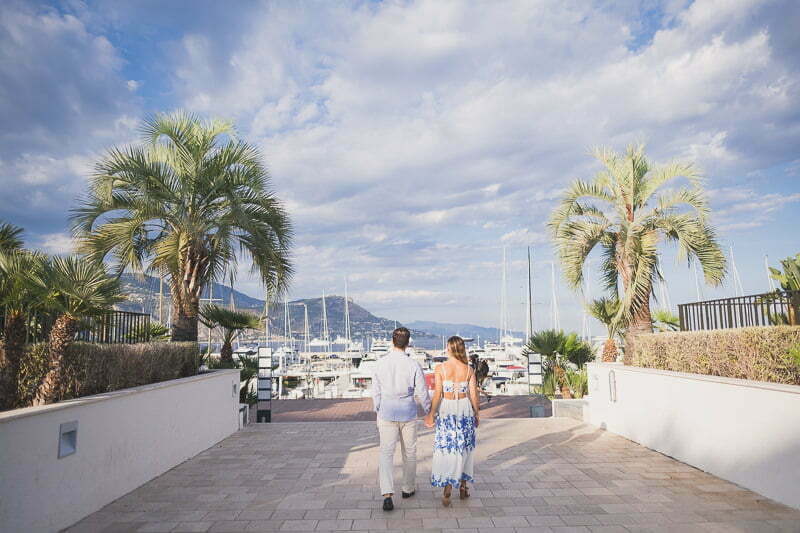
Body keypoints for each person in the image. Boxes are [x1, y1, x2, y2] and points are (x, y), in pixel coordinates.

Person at [371, 327, 431, 512]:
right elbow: (422, 393)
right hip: (408, 413)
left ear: (392, 341)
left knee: (386, 453)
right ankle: (407, 488)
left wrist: (378, 409)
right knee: (410, 453)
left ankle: (387, 494)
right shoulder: (413, 365)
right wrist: (429, 411)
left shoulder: (380, 364)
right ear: (408, 343)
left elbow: (376, 393)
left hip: (387, 413)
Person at [424, 336, 480, 507]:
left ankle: (448, 486)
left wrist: (431, 414)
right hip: (464, 409)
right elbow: (474, 396)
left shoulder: (441, 368)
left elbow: (437, 394)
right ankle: (463, 486)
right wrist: (477, 414)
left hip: (447, 409)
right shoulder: (469, 370)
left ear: (449, 349)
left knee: (448, 448)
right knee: (464, 447)